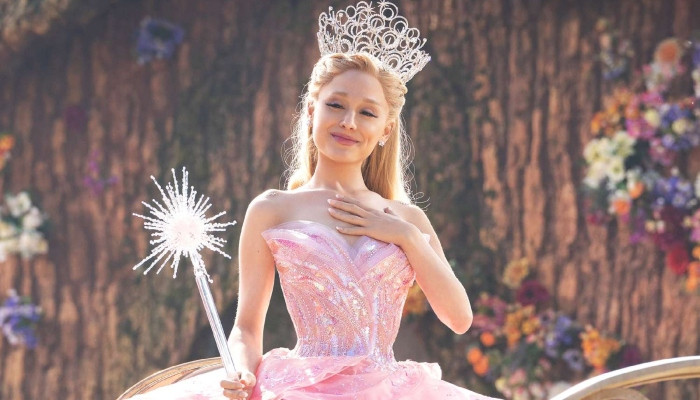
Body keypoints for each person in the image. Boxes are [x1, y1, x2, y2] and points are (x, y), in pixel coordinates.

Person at [126, 2, 499, 399]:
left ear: (386, 130)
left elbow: (459, 318)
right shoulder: (272, 210)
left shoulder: (408, 219)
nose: (348, 122)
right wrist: (242, 371)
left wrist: (404, 235)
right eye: (336, 105)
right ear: (311, 109)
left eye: (367, 112)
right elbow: (246, 329)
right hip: (302, 388)